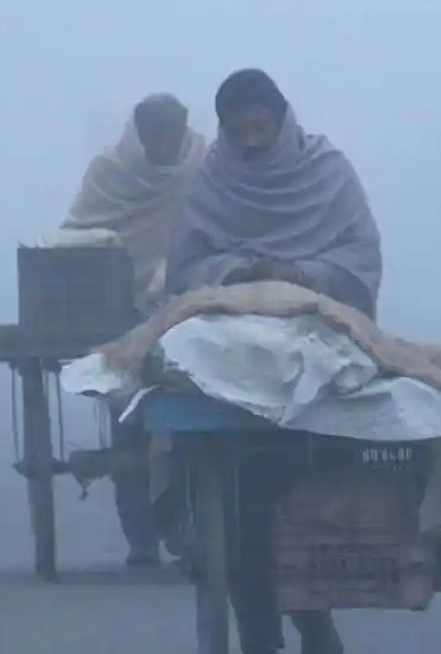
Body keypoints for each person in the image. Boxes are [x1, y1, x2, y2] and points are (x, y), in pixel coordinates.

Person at [166, 69, 380, 654]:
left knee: (307, 508)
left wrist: (300, 275)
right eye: (241, 133)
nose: (253, 142)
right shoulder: (212, 181)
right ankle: (262, 631)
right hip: (234, 361)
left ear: (282, 122)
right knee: (239, 516)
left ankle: (312, 620)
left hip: (322, 349)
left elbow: (361, 258)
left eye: (261, 129)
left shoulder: (328, 172)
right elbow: (185, 270)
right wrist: (239, 273)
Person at [62, 93, 207, 565]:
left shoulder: (202, 164)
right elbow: (80, 231)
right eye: (156, 136)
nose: (165, 146)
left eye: (172, 135)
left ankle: (185, 528)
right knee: (128, 420)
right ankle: (140, 536)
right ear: (139, 135)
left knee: (190, 424)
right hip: (117, 311)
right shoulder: (110, 170)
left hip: (185, 307)